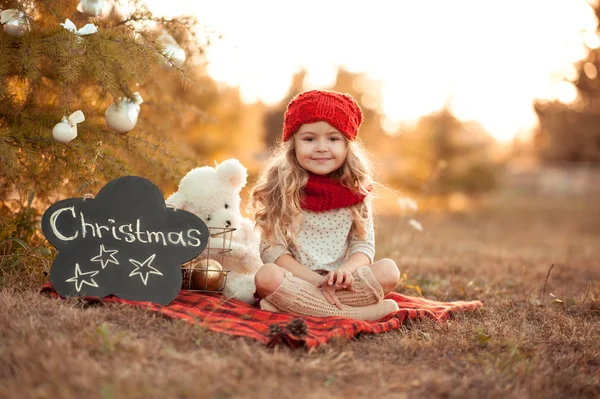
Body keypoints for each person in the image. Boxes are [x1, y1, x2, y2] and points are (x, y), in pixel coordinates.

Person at [248, 90, 400, 320]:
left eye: (333, 138)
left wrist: (345, 272)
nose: (321, 147)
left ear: (347, 145)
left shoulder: (356, 189)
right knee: (266, 276)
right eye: (309, 139)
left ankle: (302, 307)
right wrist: (316, 281)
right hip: (296, 281)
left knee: (389, 270)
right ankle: (357, 313)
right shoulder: (280, 188)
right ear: (293, 144)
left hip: (343, 283)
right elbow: (273, 251)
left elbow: (363, 247)